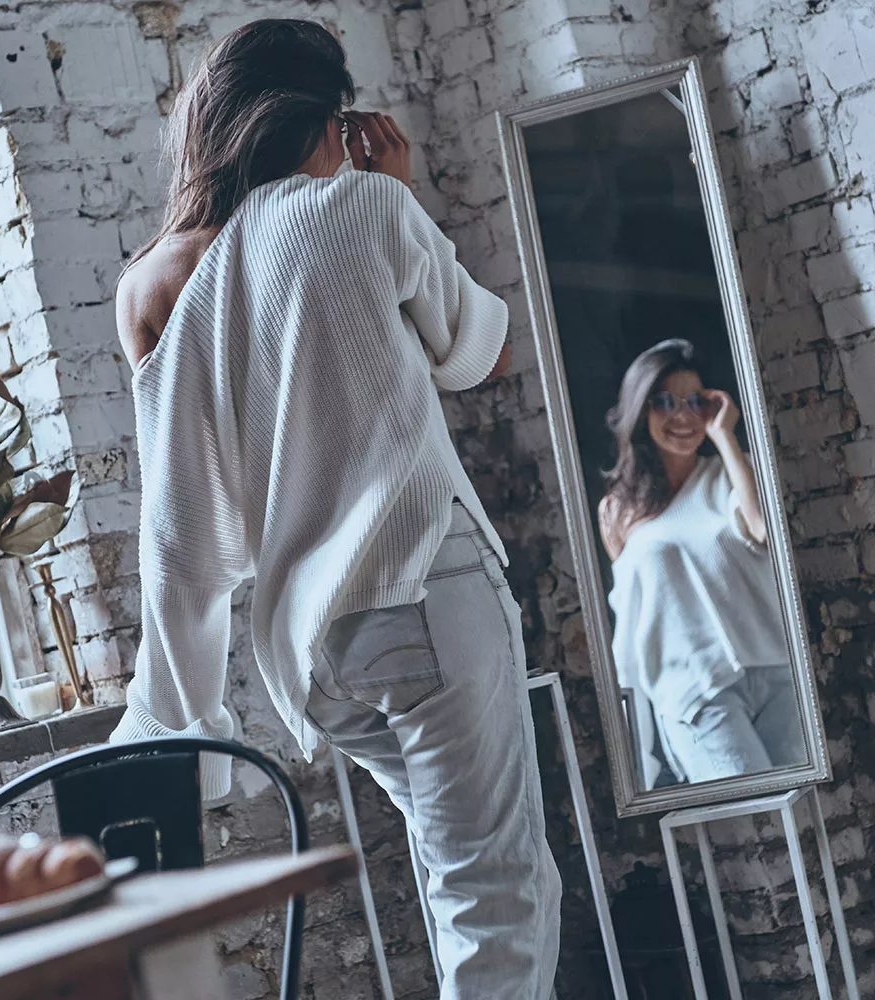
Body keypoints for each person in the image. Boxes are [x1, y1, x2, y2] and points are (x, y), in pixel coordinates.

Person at [108, 19, 560, 999]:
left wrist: (178, 719)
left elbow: (177, 532)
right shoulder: (357, 210)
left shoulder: (151, 282)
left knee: (478, 880)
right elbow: (480, 352)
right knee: (494, 891)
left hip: (315, 655)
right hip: (422, 589)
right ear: (330, 119)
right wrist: (390, 196)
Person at [599, 338, 806, 786]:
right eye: (664, 402)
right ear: (641, 410)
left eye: (695, 402)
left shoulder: (731, 472)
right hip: (696, 691)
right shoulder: (618, 511)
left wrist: (725, 438)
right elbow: (631, 620)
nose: (682, 416)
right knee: (754, 827)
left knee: (805, 813)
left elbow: (764, 530)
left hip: (775, 671)